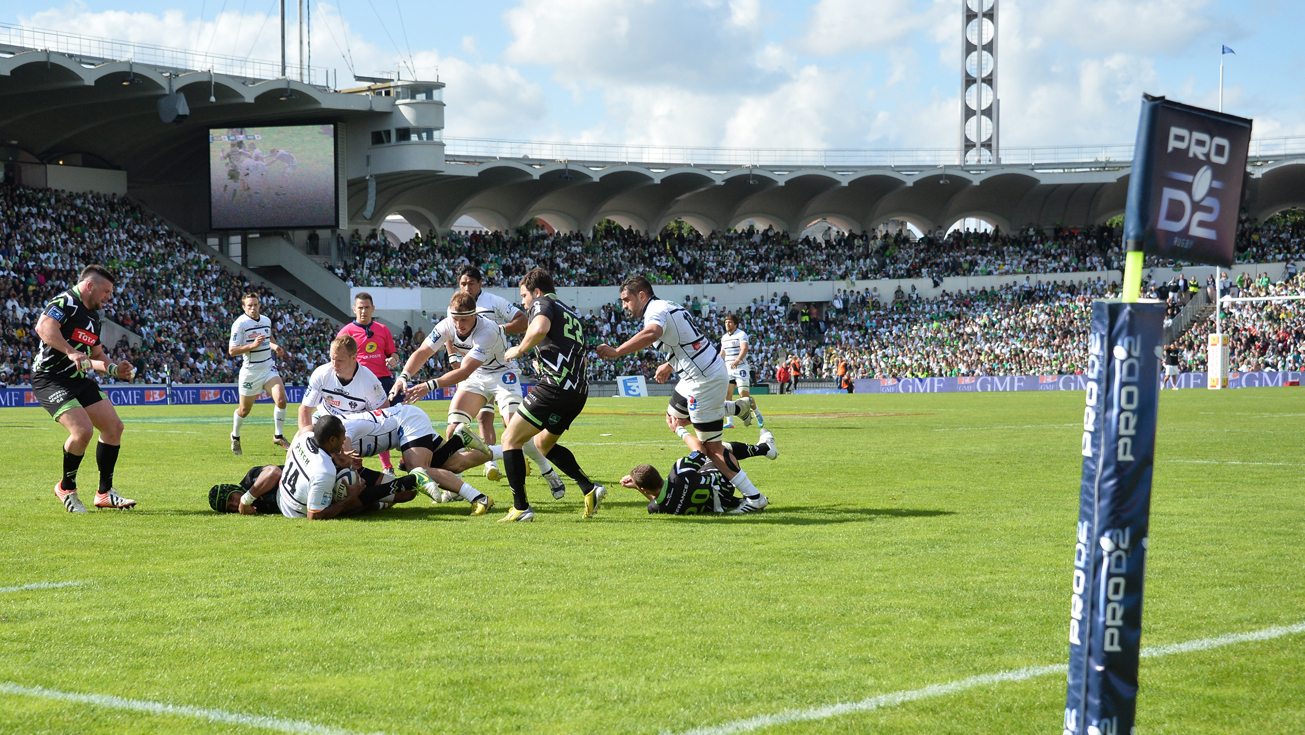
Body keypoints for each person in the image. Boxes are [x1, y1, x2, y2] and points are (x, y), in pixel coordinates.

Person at [596, 276, 766, 513]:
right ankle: (736, 408)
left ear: (641, 295)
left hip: (703, 380)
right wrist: (670, 364)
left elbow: (652, 333)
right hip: (697, 374)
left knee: (712, 448)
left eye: (626, 299)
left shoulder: (654, 311)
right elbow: (686, 340)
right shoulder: (667, 305)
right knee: (674, 416)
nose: (624, 305)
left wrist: (617, 351)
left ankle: (754, 498)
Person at [396, 291, 568, 498]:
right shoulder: (447, 324)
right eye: (455, 319)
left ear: (475, 315)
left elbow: (464, 371)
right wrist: (403, 376)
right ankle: (456, 487)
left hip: (501, 374)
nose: (459, 325)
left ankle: (547, 470)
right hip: (476, 376)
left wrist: (429, 385)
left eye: (464, 319)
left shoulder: (487, 330)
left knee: (515, 429)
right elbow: (423, 352)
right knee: (453, 429)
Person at [496, 268, 605, 522]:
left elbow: (540, 328)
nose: (524, 303)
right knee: (542, 445)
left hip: (555, 388)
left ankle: (521, 508)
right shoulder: (570, 313)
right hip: (578, 391)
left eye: (524, 296)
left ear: (536, 291)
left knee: (510, 439)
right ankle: (589, 488)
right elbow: (576, 355)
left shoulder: (542, 303)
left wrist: (518, 349)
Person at [36, 265, 137, 512]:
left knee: (114, 427)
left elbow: (96, 355)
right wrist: (71, 352)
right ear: (90, 286)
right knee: (82, 430)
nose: (109, 297)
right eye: (106, 291)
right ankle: (66, 488)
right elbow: (44, 327)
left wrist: (115, 369)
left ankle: (105, 493)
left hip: (78, 379)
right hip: (50, 378)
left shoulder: (93, 317)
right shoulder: (66, 301)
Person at [334, 404, 496, 515]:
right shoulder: (334, 431)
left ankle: (479, 498)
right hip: (406, 421)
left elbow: (346, 451)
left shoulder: (340, 429)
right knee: (456, 463)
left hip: (407, 420)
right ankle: (462, 441)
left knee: (419, 471)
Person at [450, 265, 528, 483]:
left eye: (471, 283)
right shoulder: (455, 305)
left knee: (509, 422)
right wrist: (452, 356)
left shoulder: (494, 302)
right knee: (476, 419)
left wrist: (499, 329)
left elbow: (522, 320)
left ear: (480, 284)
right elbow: (449, 332)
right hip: (474, 371)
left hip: (499, 370)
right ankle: (488, 465)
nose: (467, 288)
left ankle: (526, 456)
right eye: (463, 283)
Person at [279, 415, 420, 520]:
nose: (345, 439)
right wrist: (350, 498)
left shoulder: (305, 438)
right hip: (296, 510)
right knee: (350, 494)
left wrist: (338, 457)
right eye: (343, 436)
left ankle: (387, 494)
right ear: (332, 440)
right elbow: (314, 515)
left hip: (286, 494)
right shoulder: (324, 471)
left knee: (408, 493)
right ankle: (386, 496)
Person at [620, 433, 778, 515]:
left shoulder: (655, 509)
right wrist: (679, 429)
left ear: (644, 489)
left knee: (697, 482)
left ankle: (739, 501)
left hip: (718, 503)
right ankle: (765, 449)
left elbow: (658, 500)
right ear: (658, 474)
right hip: (722, 484)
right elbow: (700, 450)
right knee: (718, 450)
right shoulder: (679, 473)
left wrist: (637, 487)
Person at [338, 293, 400, 474]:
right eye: (360, 307)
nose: (363, 311)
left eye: (366, 307)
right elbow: (337, 357)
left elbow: (393, 353)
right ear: (354, 309)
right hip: (359, 384)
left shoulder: (383, 329)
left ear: (373, 309)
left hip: (384, 380)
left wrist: (394, 360)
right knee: (361, 425)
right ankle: (384, 466)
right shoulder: (346, 332)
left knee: (397, 418)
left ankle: (404, 459)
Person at [229, 292, 290, 454]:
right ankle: (235, 436)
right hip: (251, 372)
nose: (253, 308)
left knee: (281, 400)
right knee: (244, 410)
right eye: (249, 305)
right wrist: (253, 345)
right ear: (244, 307)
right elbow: (232, 350)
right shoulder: (239, 324)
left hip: (268, 367)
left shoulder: (266, 320)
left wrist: (275, 347)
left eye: (255, 305)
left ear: (259, 305)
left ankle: (278, 436)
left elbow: (269, 337)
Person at [298, 335, 388, 431]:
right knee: (301, 436)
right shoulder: (321, 374)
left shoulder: (370, 382)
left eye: (340, 360)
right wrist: (306, 435)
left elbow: (383, 413)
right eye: (332, 359)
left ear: (354, 357)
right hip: (326, 417)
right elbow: (305, 410)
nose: (335, 364)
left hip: (356, 424)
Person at [720, 312, 762, 430]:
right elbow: (722, 353)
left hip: (740, 369)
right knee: (727, 395)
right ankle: (730, 422)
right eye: (726, 322)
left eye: (729, 322)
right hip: (729, 370)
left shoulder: (741, 334)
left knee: (744, 397)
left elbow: (744, 348)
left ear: (735, 324)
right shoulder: (724, 337)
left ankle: (757, 413)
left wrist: (737, 360)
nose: (727, 324)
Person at [208, 465, 285, 515]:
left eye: (231, 498)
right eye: (230, 507)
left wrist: (246, 500)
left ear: (233, 489)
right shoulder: (252, 509)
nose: (235, 504)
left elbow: (274, 472)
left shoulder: (250, 478)